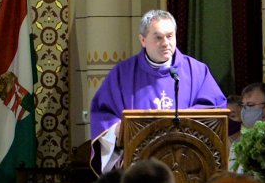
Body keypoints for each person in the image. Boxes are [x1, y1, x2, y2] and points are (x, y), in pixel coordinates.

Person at [87, 9, 227, 172]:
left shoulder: (197, 71)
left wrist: (183, 122)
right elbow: (103, 114)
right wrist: (117, 130)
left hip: (188, 164)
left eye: (170, 36)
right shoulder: (122, 74)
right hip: (140, 168)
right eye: (158, 37)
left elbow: (215, 110)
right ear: (143, 40)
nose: (166, 43)